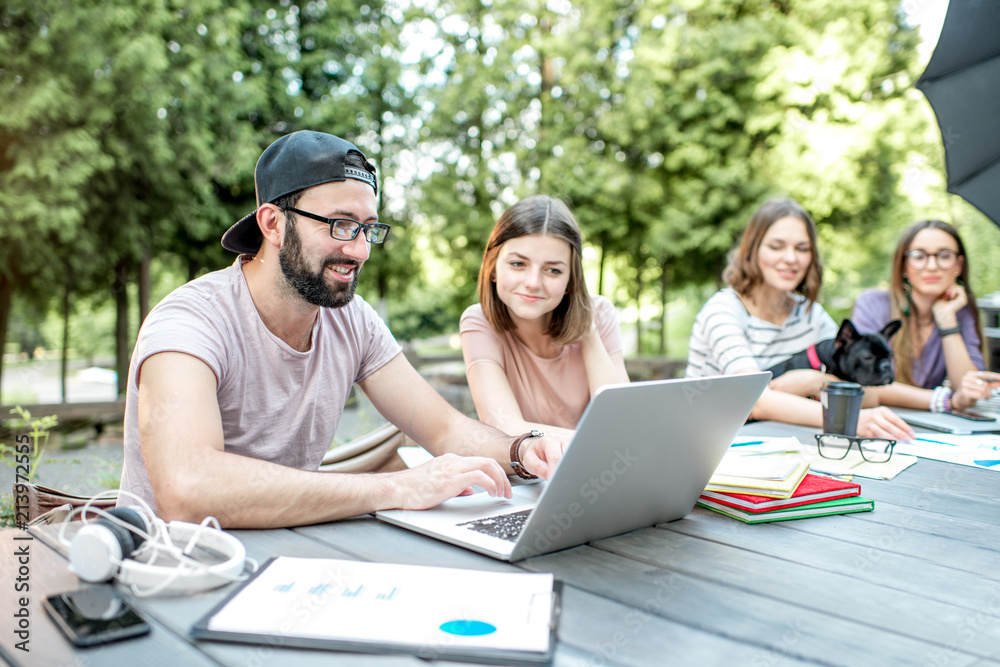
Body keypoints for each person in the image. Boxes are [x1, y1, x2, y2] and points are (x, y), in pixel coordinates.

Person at [118, 130, 565, 528]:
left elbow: (445, 429)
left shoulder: (352, 320)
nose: (360, 250)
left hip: (285, 558)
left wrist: (521, 450)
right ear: (273, 223)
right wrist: (397, 487)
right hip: (167, 575)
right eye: (341, 225)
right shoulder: (190, 322)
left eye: (368, 228)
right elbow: (187, 491)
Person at [685, 197, 914, 439]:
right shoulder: (724, 310)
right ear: (752, 250)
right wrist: (844, 418)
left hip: (777, 443)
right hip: (707, 443)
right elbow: (753, 399)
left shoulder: (811, 314)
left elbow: (866, 392)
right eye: (776, 246)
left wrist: (813, 382)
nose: (791, 258)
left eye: (802, 249)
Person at [460, 195, 629, 447]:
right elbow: (504, 427)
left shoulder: (601, 313)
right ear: (493, 268)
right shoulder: (478, 322)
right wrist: (601, 443)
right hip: (525, 478)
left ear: (571, 279)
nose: (533, 282)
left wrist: (587, 328)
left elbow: (623, 421)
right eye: (518, 264)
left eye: (553, 270)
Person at [852, 220, 1000, 412]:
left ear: (959, 265)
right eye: (919, 256)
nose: (931, 266)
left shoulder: (961, 312)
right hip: (876, 421)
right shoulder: (872, 304)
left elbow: (967, 390)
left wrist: (947, 321)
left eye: (944, 256)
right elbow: (862, 382)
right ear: (904, 265)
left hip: (931, 429)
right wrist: (947, 401)